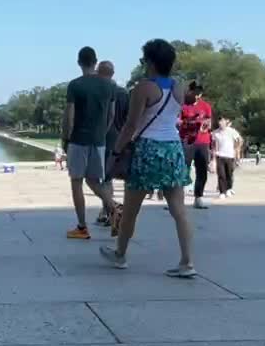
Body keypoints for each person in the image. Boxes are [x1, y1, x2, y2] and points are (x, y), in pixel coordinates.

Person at [101, 39, 195, 278]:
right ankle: (187, 261)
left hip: (148, 149)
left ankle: (120, 254)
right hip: (173, 148)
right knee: (179, 209)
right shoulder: (179, 87)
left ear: (151, 62)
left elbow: (131, 124)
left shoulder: (143, 88)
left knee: (132, 208)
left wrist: (115, 152)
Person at [62, 46, 116, 240]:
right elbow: (112, 115)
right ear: (95, 61)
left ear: (79, 62)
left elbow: (69, 116)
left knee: (76, 182)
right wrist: (103, 131)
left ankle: (82, 226)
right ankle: (114, 208)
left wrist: (66, 138)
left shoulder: (75, 85)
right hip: (99, 140)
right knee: (94, 181)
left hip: (78, 140)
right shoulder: (109, 86)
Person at [96, 61, 129, 227]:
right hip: (121, 138)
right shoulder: (123, 93)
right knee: (117, 178)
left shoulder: (100, 91)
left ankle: (109, 210)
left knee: (104, 179)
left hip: (105, 138)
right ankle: (112, 211)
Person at [180, 80, 214, 209]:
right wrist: (188, 123)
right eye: (195, 92)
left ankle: (198, 197)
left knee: (202, 170)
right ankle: (179, 197)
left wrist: (204, 125)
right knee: (183, 169)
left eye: (199, 93)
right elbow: (178, 121)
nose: (197, 96)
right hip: (186, 141)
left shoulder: (206, 106)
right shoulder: (183, 106)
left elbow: (208, 122)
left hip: (202, 141)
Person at [212, 116, 243, 199]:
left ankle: (228, 189)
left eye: (222, 121)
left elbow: (239, 140)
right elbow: (214, 146)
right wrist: (213, 157)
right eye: (219, 121)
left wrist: (236, 149)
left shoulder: (232, 131)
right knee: (221, 174)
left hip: (230, 155)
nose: (220, 123)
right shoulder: (215, 133)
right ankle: (222, 191)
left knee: (229, 174)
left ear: (226, 122)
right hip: (220, 155)